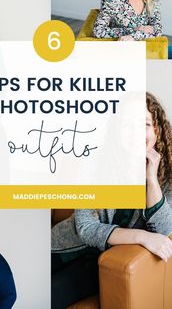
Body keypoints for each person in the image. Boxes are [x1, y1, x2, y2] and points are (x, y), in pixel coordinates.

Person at [51, 92, 172, 308]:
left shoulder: (168, 175)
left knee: (49, 296)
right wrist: (141, 236)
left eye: (144, 124)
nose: (135, 133)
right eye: (126, 125)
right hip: (63, 246)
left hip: (102, 261)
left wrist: (151, 180)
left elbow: (165, 231)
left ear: (157, 129)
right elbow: (86, 227)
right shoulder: (95, 164)